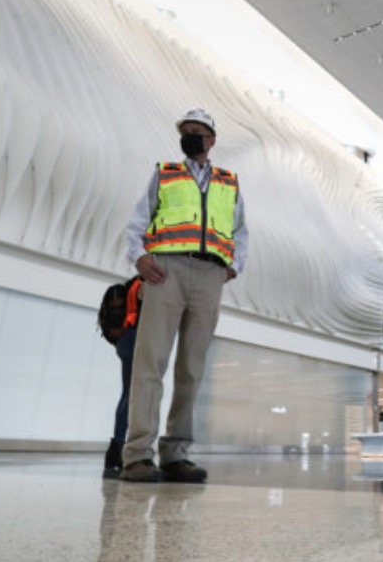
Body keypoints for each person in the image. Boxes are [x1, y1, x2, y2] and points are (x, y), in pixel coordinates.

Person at [120, 108, 248, 483]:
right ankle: (138, 454)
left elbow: (241, 232)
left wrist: (232, 267)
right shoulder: (165, 173)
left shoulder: (229, 182)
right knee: (150, 363)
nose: (190, 136)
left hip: (210, 275)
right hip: (165, 271)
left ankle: (176, 454)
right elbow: (137, 221)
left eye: (198, 131)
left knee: (192, 368)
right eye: (186, 131)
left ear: (212, 140)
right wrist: (140, 257)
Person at [98, 276, 143, 477]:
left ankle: (118, 449)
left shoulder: (129, 288)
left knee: (130, 393)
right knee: (131, 394)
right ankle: (118, 449)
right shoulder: (132, 289)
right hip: (131, 341)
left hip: (126, 343)